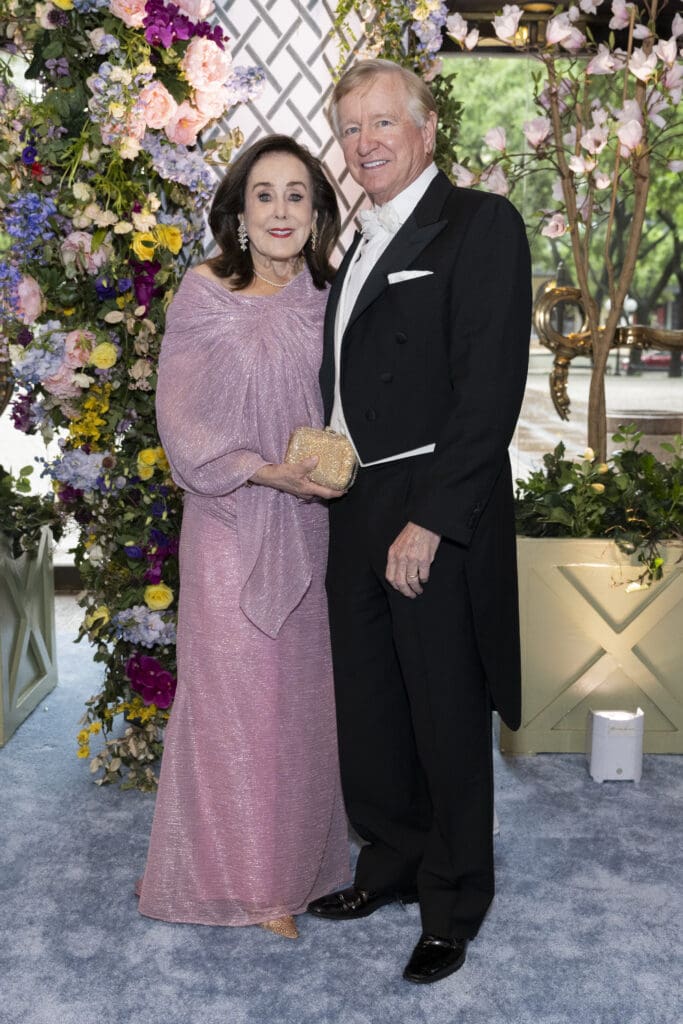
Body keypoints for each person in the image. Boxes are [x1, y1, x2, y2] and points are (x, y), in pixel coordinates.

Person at [307, 60, 532, 982]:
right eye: (351, 128)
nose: (365, 142)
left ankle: (453, 896)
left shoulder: (480, 224)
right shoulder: (355, 238)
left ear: (426, 128)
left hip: (430, 502)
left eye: (382, 123)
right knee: (370, 704)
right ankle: (390, 862)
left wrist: (432, 521)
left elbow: (487, 395)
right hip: (354, 502)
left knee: (443, 707)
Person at [137, 135, 351, 940]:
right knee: (232, 702)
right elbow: (181, 421)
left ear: (318, 212)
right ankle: (238, 881)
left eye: (297, 195)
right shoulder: (203, 292)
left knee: (297, 704)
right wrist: (265, 472)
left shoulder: (332, 297)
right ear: (237, 211)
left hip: (312, 523)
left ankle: (291, 869)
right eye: (264, 195)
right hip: (228, 520)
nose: (281, 211)